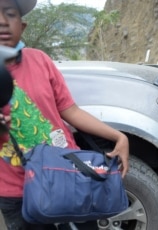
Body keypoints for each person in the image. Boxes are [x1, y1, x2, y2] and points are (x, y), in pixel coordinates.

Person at [0, 0, 130, 229]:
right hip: (18, 191)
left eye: (10, 14)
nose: (2, 22)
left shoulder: (40, 60)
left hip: (67, 174)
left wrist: (119, 136)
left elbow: (71, 110)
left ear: (23, 26)